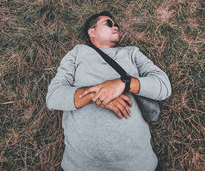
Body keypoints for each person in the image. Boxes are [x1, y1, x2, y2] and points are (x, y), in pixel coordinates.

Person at [46, 11, 171, 171]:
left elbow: (163, 86)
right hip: (80, 166)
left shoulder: (131, 53)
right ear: (92, 31)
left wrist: (122, 84)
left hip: (139, 165)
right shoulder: (78, 53)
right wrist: (95, 94)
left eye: (116, 24)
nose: (116, 27)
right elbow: (54, 96)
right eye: (109, 23)